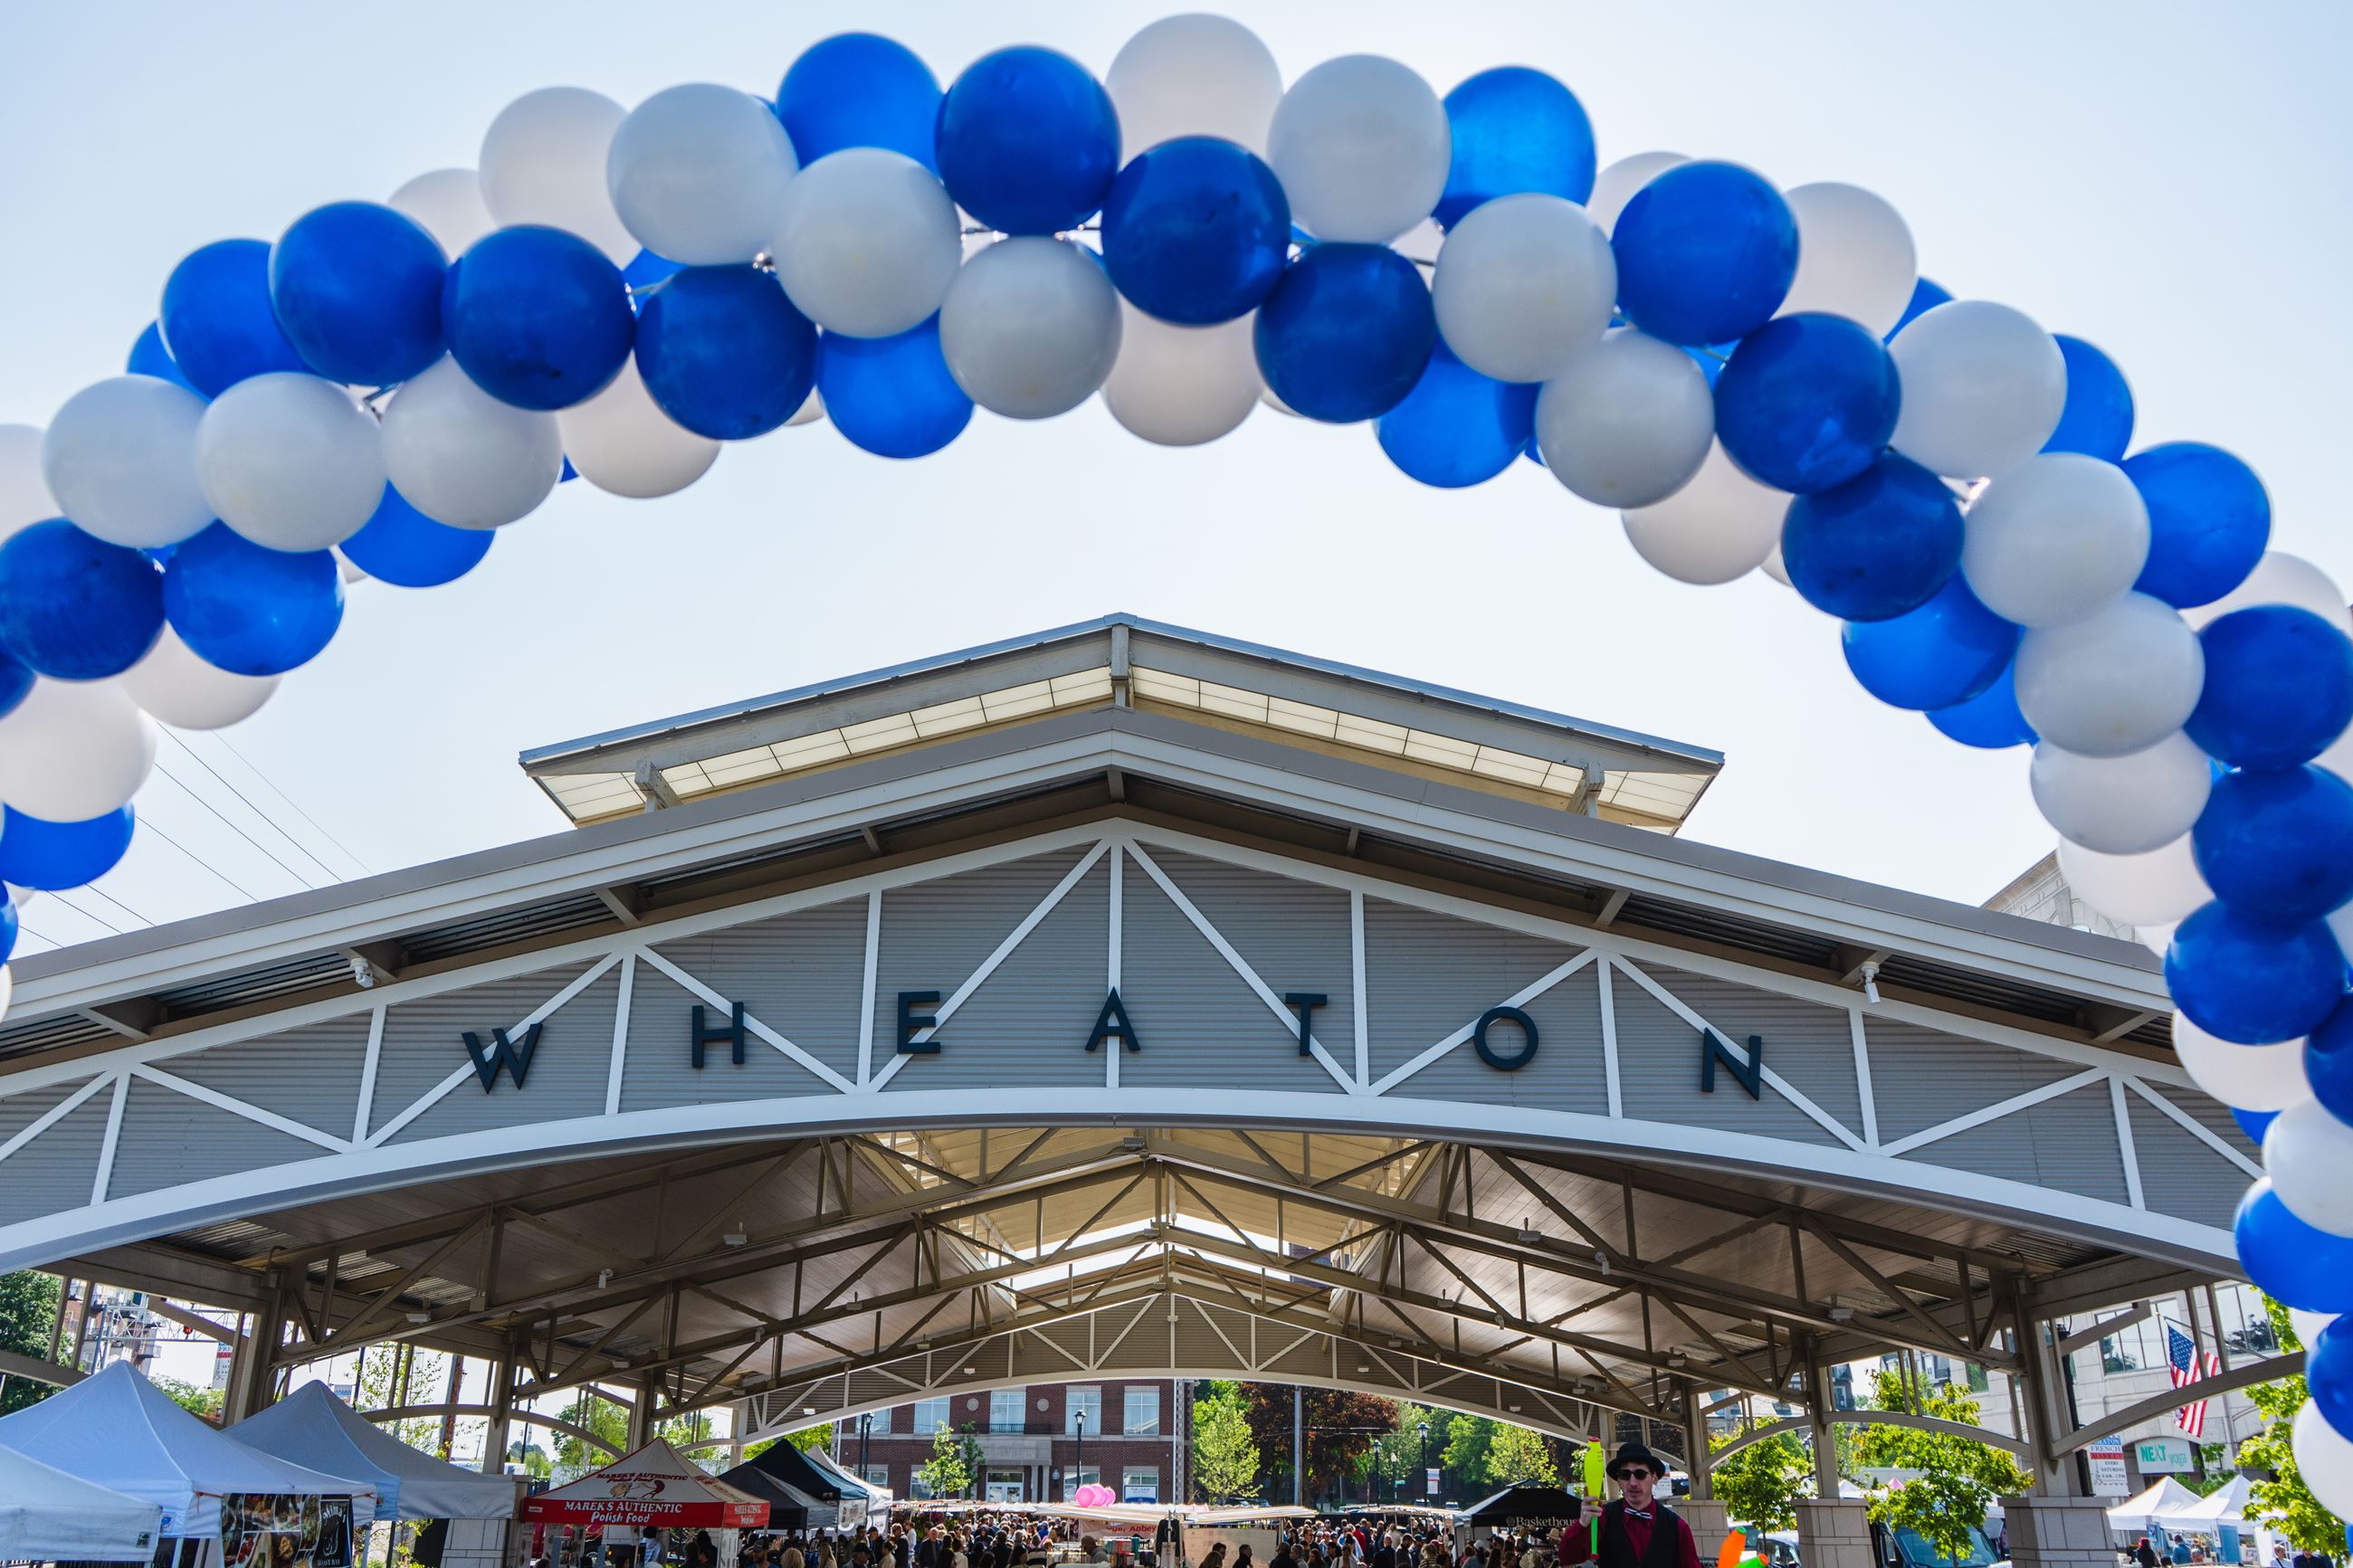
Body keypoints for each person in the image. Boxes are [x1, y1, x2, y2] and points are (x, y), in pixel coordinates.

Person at [1554, 1442, 1700, 1568]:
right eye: (1625, 1475)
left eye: (1640, 1474)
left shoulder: (1677, 1526)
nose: (1633, 1483)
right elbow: (1567, 1557)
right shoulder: (1603, 1518)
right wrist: (1583, 1524)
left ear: (1654, 1478)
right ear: (1618, 1480)